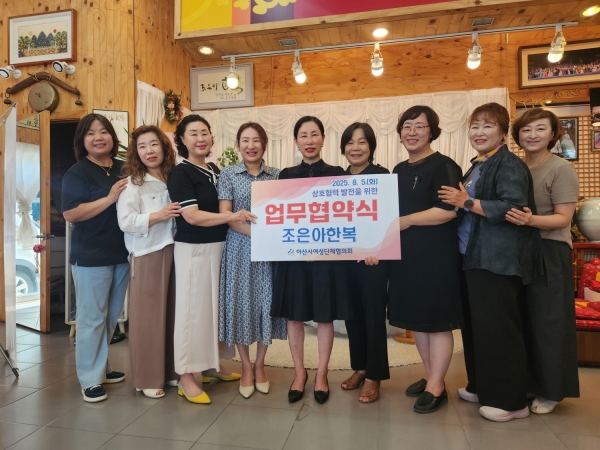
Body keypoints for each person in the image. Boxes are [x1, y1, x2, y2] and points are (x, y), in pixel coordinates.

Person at [439, 102, 542, 422]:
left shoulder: (508, 164)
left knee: (499, 329)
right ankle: (481, 385)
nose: (479, 132)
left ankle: (511, 401)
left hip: (497, 260)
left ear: (502, 131)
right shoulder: (478, 165)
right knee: (477, 328)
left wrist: (466, 201)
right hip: (472, 257)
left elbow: (513, 208)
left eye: (487, 126)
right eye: (474, 126)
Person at [167, 114, 256, 404]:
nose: (200, 138)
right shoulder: (181, 173)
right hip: (195, 249)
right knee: (192, 313)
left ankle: (208, 365)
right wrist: (232, 216)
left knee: (212, 311)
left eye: (204, 132)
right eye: (193, 133)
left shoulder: (215, 169)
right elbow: (192, 216)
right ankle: (185, 375)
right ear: (182, 140)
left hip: (220, 247)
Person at [271, 116, 352, 405]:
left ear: (323, 139)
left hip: (326, 258)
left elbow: (346, 215)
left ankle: (321, 374)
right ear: (296, 141)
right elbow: (279, 217)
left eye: (314, 134)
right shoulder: (285, 175)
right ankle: (299, 373)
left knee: (324, 316)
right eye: (303, 135)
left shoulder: (338, 174)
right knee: (294, 316)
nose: (309, 140)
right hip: (294, 257)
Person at [388, 106, 463, 414]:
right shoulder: (398, 170)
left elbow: (449, 211)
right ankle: (431, 375)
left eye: (420, 126)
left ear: (432, 131)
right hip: (406, 256)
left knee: (437, 321)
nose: (412, 132)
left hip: (436, 256)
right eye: (407, 126)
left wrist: (406, 221)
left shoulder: (444, 165)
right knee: (417, 320)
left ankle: (437, 386)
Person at [507, 108, 580, 414]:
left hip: (549, 251)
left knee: (548, 322)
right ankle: (527, 383)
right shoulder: (515, 167)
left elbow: (563, 218)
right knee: (523, 321)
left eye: (540, 129)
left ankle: (551, 390)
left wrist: (529, 220)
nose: (533, 135)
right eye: (526, 129)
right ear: (517, 135)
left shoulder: (561, 168)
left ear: (553, 134)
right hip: (518, 252)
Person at [62, 114, 129, 403]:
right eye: (91, 133)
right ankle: (90, 379)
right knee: (91, 318)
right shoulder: (77, 172)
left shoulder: (124, 167)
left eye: (103, 131)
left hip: (122, 253)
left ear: (112, 136)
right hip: (91, 256)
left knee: (111, 316)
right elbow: (71, 213)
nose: (98, 137)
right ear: (82, 140)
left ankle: (102, 366)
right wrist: (109, 199)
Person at [218, 122, 287, 399]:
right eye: (245, 140)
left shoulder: (277, 175)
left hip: (270, 252)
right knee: (242, 306)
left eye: (256, 140)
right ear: (238, 145)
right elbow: (227, 215)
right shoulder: (228, 174)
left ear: (264, 144)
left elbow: (284, 212)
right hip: (239, 249)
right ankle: (246, 366)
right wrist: (259, 235)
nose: (251, 145)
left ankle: (260, 365)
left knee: (266, 305)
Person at [117, 125, 180, 399]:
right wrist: (158, 215)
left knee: (173, 315)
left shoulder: (174, 177)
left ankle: (171, 372)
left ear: (164, 147)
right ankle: (147, 377)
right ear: (136, 152)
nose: (149, 151)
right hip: (147, 253)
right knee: (148, 318)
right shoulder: (133, 184)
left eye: (154, 144)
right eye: (142, 146)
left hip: (176, 250)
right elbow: (126, 221)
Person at [338, 122, 390, 403]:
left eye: (362, 142)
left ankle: (374, 375)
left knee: (372, 317)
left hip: (373, 261)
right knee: (352, 316)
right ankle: (360, 368)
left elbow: (388, 219)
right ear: (343, 148)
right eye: (350, 142)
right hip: (345, 260)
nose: (355, 148)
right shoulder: (337, 179)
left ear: (371, 146)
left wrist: (378, 249)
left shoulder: (382, 176)